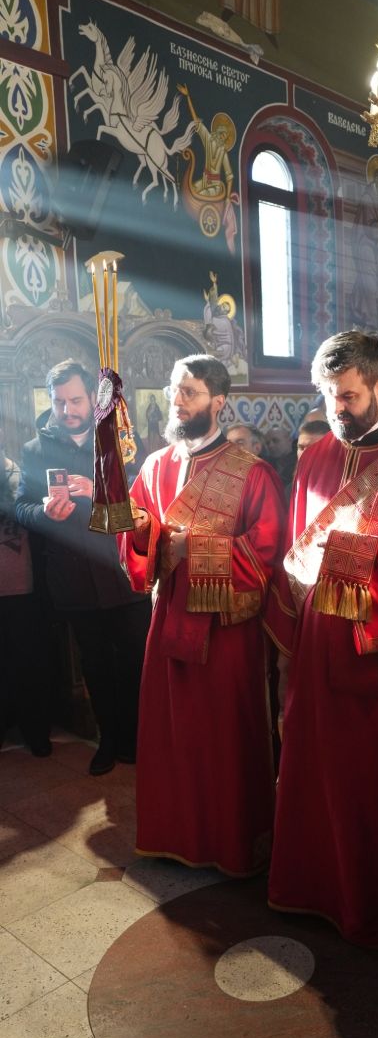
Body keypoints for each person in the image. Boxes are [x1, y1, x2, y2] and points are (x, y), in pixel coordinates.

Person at [265, 331, 378, 948]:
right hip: (317, 644)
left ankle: (374, 900)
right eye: (327, 395)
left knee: (371, 781)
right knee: (315, 771)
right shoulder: (316, 456)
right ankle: (310, 886)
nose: (336, 408)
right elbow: (295, 551)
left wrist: (357, 559)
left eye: (347, 396)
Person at [119, 354, 285, 875]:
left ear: (218, 402)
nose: (177, 400)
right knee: (171, 734)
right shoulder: (154, 466)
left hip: (226, 632)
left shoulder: (252, 473)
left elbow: (267, 554)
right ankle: (175, 834)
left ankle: (231, 843)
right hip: (169, 620)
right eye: (174, 389)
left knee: (223, 738)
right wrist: (137, 528)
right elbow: (137, 539)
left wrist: (195, 548)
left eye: (189, 392)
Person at [16, 360, 151, 775]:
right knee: (95, 664)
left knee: (134, 661)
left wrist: (101, 491)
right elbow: (21, 508)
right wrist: (43, 513)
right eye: (59, 402)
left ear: (92, 398)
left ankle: (136, 739)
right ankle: (107, 740)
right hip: (73, 579)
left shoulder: (121, 440)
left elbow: (146, 501)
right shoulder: (35, 450)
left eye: (75, 400)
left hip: (123, 574)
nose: (67, 409)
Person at [0, 425, 51, 755]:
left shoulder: (20, 474)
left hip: (23, 587)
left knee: (29, 663)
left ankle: (36, 731)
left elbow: (32, 516)